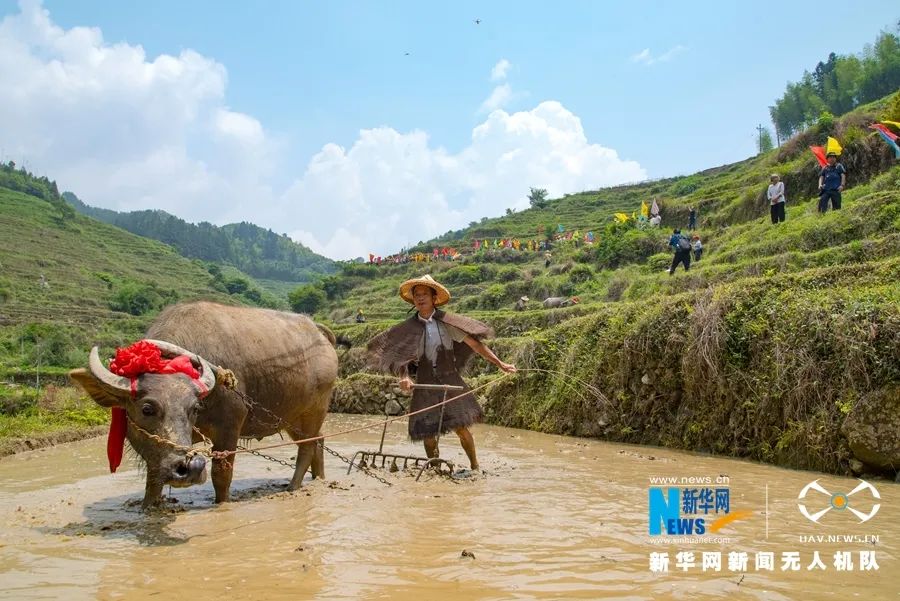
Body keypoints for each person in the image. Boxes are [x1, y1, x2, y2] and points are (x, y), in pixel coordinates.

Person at [366, 275, 516, 470]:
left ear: (434, 298)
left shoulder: (446, 323)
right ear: (413, 300)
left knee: (461, 427)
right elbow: (401, 359)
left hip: (449, 379)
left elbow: (476, 345)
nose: (420, 298)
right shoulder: (409, 329)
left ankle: (475, 467)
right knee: (428, 434)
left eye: (424, 294)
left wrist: (500, 363)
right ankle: (435, 468)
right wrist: (405, 378)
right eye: (417, 295)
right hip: (425, 382)